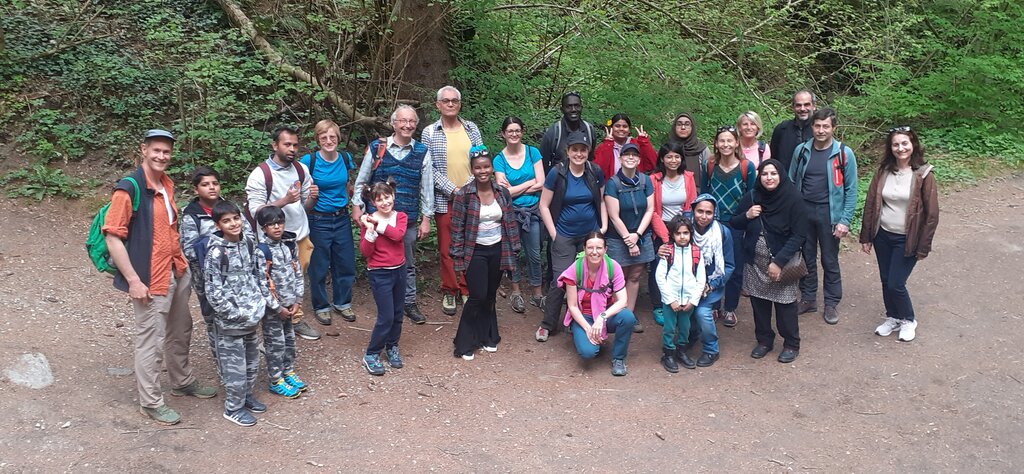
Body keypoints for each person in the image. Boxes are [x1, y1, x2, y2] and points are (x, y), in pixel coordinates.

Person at [102, 129, 215, 426]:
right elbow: (113, 237)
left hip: (175, 268)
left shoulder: (166, 184)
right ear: (144, 150)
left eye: (166, 152)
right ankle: (150, 402)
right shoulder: (128, 188)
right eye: (157, 151)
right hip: (150, 276)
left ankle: (182, 381)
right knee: (150, 339)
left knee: (181, 328)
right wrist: (134, 281)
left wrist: (183, 267)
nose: (162, 156)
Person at [352, 105, 434, 324]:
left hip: (406, 220)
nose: (407, 125)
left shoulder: (422, 152)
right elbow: (362, 180)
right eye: (403, 121)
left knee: (406, 263)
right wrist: (357, 207)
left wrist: (427, 218)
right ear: (393, 123)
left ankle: (408, 302)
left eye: (411, 122)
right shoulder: (377, 148)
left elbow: (427, 188)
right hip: (375, 219)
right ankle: (385, 302)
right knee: (377, 260)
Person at [860, 126, 939, 342]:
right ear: (890, 147)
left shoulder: (923, 174)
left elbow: (931, 215)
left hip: (907, 238)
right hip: (883, 235)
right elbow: (871, 204)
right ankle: (893, 316)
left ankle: (908, 319)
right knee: (886, 280)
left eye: (905, 143)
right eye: (896, 144)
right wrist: (866, 236)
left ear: (913, 145)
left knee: (896, 283)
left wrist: (924, 246)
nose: (900, 148)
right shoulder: (883, 171)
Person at [244, 125, 320, 341]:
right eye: (287, 144)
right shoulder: (260, 175)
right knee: (271, 282)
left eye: (295, 145)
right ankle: (271, 326)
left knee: (295, 279)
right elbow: (256, 211)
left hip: (299, 235)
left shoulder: (300, 170)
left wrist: (313, 196)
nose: (292, 149)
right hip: (270, 241)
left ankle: (295, 320)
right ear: (275, 145)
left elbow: (306, 205)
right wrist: (284, 201)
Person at [731, 159, 808, 363]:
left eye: (773, 173)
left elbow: (800, 234)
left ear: (781, 175)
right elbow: (734, 222)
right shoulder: (753, 196)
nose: (769, 178)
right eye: (765, 174)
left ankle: (791, 343)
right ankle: (764, 340)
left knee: (785, 306)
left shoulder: (793, 198)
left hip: (782, 261)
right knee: (759, 303)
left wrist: (779, 262)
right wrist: (747, 215)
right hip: (755, 262)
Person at [450, 148, 522, 360]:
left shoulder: (502, 192)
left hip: (498, 249)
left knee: (490, 295)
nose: (483, 171)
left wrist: (514, 249)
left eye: (486, 166)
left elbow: (509, 224)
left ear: (492, 168)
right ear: (472, 170)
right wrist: (458, 257)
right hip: (475, 252)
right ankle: (464, 342)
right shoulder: (464, 195)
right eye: (478, 167)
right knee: (477, 296)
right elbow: (457, 228)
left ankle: (488, 336)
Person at [789, 107, 858, 325]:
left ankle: (831, 302)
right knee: (806, 257)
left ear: (833, 128)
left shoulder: (844, 154)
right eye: (817, 126)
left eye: (825, 126)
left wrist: (845, 220)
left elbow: (851, 189)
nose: (821, 130)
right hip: (804, 211)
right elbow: (791, 182)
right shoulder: (801, 151)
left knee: (829, 259)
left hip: (830, 213)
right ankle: (808, 298)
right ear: (812, 127)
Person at [535, 131, 607, 342]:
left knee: (592, 278)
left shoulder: (594, 171)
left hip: (590, 235)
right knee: (561, 279)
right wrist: (554, 233)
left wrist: (602, 227)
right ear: (567, 151)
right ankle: (548, 324)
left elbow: (601, 200)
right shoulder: (557, 173)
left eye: (583, 149)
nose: (579, 154)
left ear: (588, 151)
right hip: (564, 234)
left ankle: (582, 318)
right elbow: (544, 205)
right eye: (574, 149)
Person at [203, 201, 268, 426]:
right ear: (218, 225)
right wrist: (234, 313)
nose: (233, 224)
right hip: (230, 321)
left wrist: (258, 305)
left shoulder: (248, 244)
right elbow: (213, 291)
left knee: (252, 361)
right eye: (227, 221)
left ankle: (246, 396)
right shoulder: (216, 253)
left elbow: (256, 275)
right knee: (234, 367)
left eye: (236, 218)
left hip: (251, 316)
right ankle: (233, 407)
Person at [421, 86, 485, 316]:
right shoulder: (429, 132)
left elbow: (481, 159)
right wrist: (454, 190)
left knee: (470, 245)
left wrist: (466, 189)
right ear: (438, 105)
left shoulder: (471, 129)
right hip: (443, 199)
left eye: (454, 101)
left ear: (459, 104)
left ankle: (467, 288)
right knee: (447, 248)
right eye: (446, 101)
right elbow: (429, 169)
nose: (450, 104)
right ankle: (450, 289)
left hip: (471, 198)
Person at [299, 119, 357, 327]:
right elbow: (299, 186)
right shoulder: (309, 161)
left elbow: (348, 183)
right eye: (324, 137)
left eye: (332, 136)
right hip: (318, 219)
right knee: (319, 265)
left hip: (341, 217)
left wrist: (350, 199)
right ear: (318, 139)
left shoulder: (345, 157)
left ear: (338, 138)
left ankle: (342, 302)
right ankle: (321, 306)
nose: (328, 140)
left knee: (345, 262)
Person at [557, 232, 637, 376]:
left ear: (605, 249)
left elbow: (623, 300)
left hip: (605, 313)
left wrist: (602, 317)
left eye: (599, 248)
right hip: (583, 316)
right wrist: (588, 329)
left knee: (628, 317)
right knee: (588, 353)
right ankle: (581, 333)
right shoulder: (575, 269)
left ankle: (618, 358)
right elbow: (572, 306)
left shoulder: (614, 267)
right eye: (590, 248)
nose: (594, 252)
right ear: (584, 249)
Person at [180, 166, 239, 359]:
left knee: (237, 311)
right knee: (213, 318)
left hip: (236, 275)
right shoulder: (192, 215)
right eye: (205, 185)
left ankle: (239, 351)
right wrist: (217, 251)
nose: (211, 188)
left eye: (215, 183)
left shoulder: (229, 208)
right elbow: (189, 250)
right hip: (207, 279)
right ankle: (221, 358)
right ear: (196, 189)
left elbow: (245, 236)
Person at [702, 126, 756, 328]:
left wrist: (747, 220)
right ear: (716, 144)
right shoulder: (709, 165)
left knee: (734, 266)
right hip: (712, 223)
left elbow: (752, 195)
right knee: (712, 264)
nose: (725, 145)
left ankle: (730, 307)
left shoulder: (746, 167)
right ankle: (713, 303)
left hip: (737, 223)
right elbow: (705, 194)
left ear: (736, 143)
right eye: (721, 141)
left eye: (729, 141)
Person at [493, 116, 545, 313]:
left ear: (522, 131)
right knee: (512, 253)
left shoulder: (533, 153)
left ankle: (537, 293)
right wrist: (529, 183)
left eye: (517, 130)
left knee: (534, 254)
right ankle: (516, 292)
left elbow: (542, 182)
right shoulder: (499, 159)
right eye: (510, 131)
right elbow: (503, 192)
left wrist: (515, 188)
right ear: (504, 134)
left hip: (532, 212)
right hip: (510, 213)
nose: (514, 134)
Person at [254, 206, 306, 398]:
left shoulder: (289, 246)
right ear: (263, 228)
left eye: (280, 223)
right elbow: (261, 283)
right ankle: (276, 379)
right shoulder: (262, 251)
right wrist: (276, 307)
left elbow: (298, 273)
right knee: (275, 343)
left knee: (289, 340)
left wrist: (297, 299)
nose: (277, 227)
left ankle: (288, 370)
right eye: (271, 224)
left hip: (290, 305)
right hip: (273, 310)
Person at [357, 182, 409, 376]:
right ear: (373, 202)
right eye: (379, 200)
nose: (385, 202)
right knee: (385, 316)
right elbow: (365, 251)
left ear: (393, 195)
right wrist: (370, 230)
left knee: (397, 313)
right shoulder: (368, 222)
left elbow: (397, 235)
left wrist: (377, 225)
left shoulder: (400, 217)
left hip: (399, 270)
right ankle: (371, 353)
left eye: (387, 197)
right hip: (379, 273)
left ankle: (392, 346)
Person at [603, 143, 655, 333]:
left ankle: (629, 315)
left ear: (639, 159)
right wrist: (628, 238)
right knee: (620, 277)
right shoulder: (613, 183)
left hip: (641, 234)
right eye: (627, 155)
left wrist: (637, 235)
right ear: (621, 158)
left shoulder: (645, 180)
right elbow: (613, 215)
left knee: (634, 276)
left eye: (634, 155)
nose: (631, 158)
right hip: (618, 237)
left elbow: (650, 209)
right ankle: (618, 314)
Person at [648, 142, 697, 326]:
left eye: (677, 156)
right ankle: (658, 305)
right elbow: (652, 210)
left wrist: (683, 229)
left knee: (682, 264)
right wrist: (666, 237)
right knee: (659, 264)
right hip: (661, 227)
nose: (673, 160)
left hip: (683, 225)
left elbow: (691, 205)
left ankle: (682, 300)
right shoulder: (654, 179)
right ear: (662, 158)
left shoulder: (688, 177)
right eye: (669, 156)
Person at [683, 194, 735, 367]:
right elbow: (671, 248)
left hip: (711, 284)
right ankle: (691, 336)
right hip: (687, 282)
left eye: (708, 212)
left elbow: (728, 265)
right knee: (686, 312)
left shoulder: (722, 233)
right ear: (693, 210)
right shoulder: (684, 229)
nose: (703, 216)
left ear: (715, 214)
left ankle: (711, 349)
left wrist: (712, 285)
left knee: (702, 313)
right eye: (699, 211)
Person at [654, 215, 705, 373]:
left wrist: (693, 300)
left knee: (685, 327)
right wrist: (670, 300)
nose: (682, 237)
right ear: (672, 235)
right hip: (672, 301)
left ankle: (682, 351)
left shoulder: (696, 252)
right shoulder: (668, 252)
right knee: (669, 327)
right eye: (678, 233)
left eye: (685, 233)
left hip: (688, 300)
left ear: (690, 233)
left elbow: (701, 278)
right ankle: (668, 353)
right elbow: (660, 277)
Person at [539, 91, 599, 172]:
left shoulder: (589, 130)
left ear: (581, 108)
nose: (573, 109)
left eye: (576, 106)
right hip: (558, 181)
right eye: (569, 106)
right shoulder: (554, 132)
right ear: (562, 109)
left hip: (584, 180)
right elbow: (542, 164)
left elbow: (591, 158)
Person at [593, 113, 657, 178]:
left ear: (629, 130)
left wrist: (644, 142)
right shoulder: (605, 146)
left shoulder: (637, 144)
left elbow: (653, 164)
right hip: (612, 186)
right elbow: (598, 170)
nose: (621, 129)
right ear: (611, 128)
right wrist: (608, 144)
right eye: (617, 126)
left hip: (636, 185)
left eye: (625, 126)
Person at [769, 89, 816, 172]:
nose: (802, 109)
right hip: (786, 182)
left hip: (812, 182)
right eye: (798, 105)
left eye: (806, 105)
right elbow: (773, 159)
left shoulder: (819, 131)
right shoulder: (782, 130)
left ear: (814, 106)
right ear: (793, 107)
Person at [665, 113, 710, 189]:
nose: (683, 127)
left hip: (697, 193)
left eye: (687, 124)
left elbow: (709, 174)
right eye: (679, 124)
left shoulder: (702, 149)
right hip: (671, 192)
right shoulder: (667, 148)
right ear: (674, 127)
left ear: (692, 127)